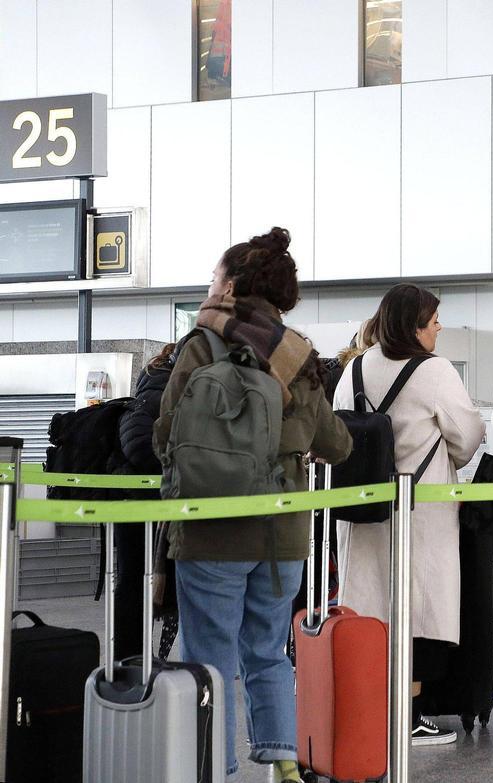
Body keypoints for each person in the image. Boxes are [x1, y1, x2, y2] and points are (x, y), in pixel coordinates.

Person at [153, 227, 352, 783]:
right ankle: (285, 762)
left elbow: (165, 431)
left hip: (211, 529)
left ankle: (214, 767)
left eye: (215, 275)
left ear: (233, 284)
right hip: (283, 532)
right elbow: (335, 442)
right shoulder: (298, 353)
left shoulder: (203, 343)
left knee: (210, 656)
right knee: (267, 649)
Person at [334, 283, 485, 747]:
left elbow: (337, 431)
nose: (439, 325)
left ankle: (370, 707)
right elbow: (467, 435)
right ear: (414, 326)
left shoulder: (355, 367)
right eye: (433, 319)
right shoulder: (435, 371)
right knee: (419, 612)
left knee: (370, 606)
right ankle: (410, 714)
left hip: (361, 510)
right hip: (421, 511)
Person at [116, 341, 178, 661]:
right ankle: (133, 661)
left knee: (140, 588)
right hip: (142, 508)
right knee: (137, 588)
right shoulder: (156, 395)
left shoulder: (156, 392)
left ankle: (140, 659)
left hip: (146, 507)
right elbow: (139, 445)